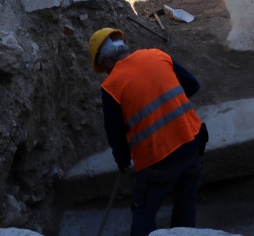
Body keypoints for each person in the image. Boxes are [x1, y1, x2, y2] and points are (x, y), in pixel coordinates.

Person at [88, 28, 208, 236]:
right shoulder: (157, 54)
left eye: (103, 68)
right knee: (186, 202)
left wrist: (122, 160)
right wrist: (168, 104)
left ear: (107, 59)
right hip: (192, 142)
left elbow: (115, 134)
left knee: (144, 212)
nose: (106, 73)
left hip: (156, 158)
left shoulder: (111, 85)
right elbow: (192, 85)